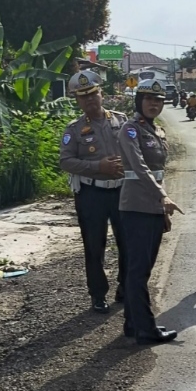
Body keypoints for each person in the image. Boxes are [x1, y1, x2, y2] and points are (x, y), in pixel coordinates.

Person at [117, 80, 183, 345]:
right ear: (138, 102)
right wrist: (163, 197)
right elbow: (140, 168)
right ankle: (146, 329)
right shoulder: (130, 130)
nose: (154, 104)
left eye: (158, 100)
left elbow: (159, 173)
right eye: (148, 100)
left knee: (141, 269)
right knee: (138, 271)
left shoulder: (156, 131)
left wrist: (162, 209)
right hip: (135, 206)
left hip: (152, 206)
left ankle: (133, 323)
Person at [59, 69, 131, 313]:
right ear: (78, 101)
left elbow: (136, 150)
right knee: (93, 245)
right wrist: (97, 166)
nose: (89, 99)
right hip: (92, 194)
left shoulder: (121, 121)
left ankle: (125, 287)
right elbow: (66, 161)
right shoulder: (74, 129)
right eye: (83, 96)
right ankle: (98, 294)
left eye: (93, 93)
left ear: (101, 94)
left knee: (128, 242)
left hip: (122, 191)